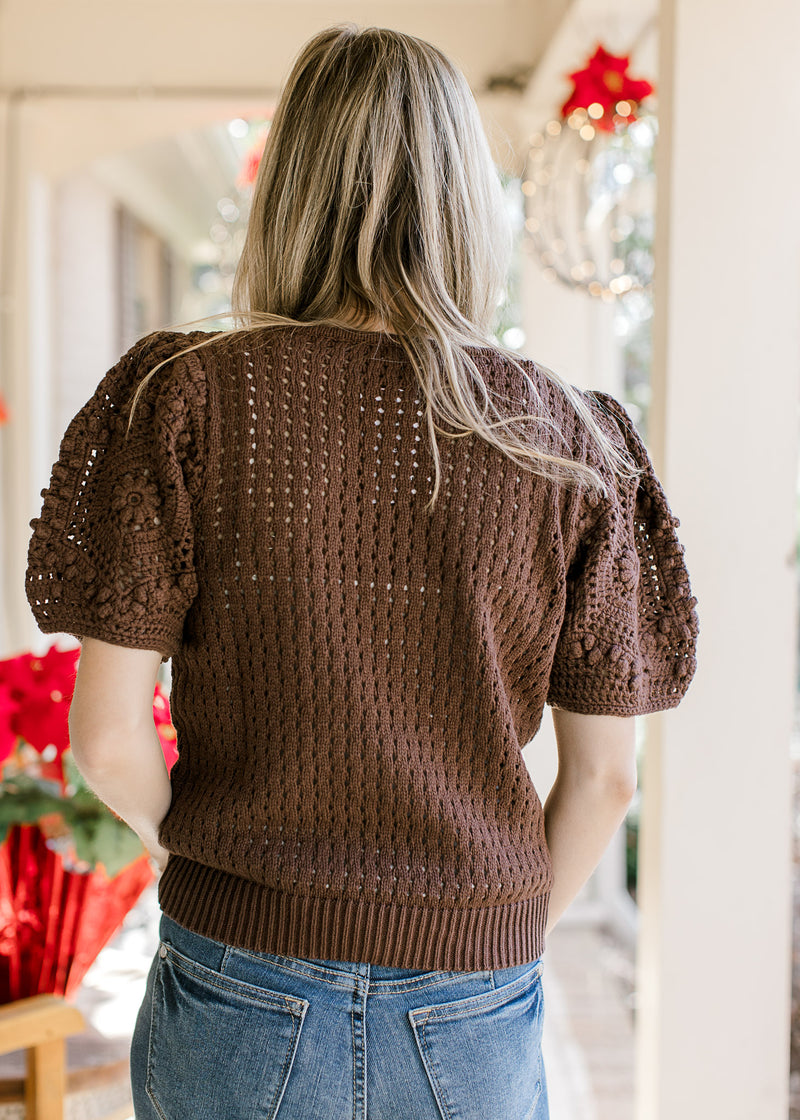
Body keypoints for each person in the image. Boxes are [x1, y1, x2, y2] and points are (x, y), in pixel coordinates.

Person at [24, 22, 698, 1120]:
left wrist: (207, 863)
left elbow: (104, 737)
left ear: (290, 187)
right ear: (464, 198)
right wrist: (494, 935)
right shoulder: (570, 440)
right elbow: (604, 779)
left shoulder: (186, 399)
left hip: (235, 975)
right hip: (470, 1002)